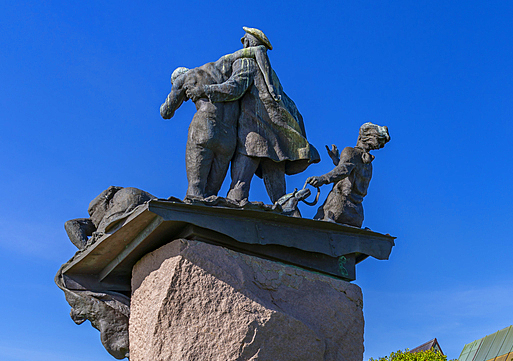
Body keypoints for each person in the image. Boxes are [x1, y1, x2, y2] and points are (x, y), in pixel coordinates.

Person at [197, 27, 319, 205]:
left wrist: (204, 90)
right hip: (277, 141)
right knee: (281, 199)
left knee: (239, 188)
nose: (242, 42)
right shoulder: (270, 72)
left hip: (253, 136)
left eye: (244, 39)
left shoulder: (247, 63)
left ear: (248, 42)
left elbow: (234, 88)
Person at [160, 60, 240, 199]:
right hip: (229, 137)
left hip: (205, 127)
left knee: (195, 189)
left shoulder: (185, 78)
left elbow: (166, 112)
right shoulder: (222, 73)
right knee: (211, 194)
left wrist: (178, 90)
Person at [307, 123, 390, 228]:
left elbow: (343, 170)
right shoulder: (368, 163)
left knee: (315, 230)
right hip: (357, 213)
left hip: (338, 207)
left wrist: (322, 179)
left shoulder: (350, 152)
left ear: (361, 137)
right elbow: (349, 170)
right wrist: (337, 160)